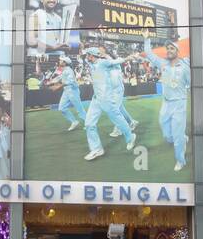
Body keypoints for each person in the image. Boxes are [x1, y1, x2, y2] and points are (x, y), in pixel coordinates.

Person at [143, 37, 190, 172]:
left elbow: (191, 82)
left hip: (179, 104)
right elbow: (149, 54)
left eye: (171, 48)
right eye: (167, 48)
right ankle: (182, 137)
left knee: (176, 137)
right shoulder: (163, 63)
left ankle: (180, 160)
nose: (168, 50)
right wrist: (147, 38)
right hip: (166, 104)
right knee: (167, 136)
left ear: (177, 51)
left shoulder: (184, 67)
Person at [81, 45, 134, 161]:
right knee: (89, 124)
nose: (86, 56)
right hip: (96, 99)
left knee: (118, 119)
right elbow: (85, 58)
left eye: (88, 54)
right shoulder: (90, 63)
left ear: (92, 56)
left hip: (106, 98)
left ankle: (130, 137)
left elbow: (116, 61)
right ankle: (96, 149)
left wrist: (127, 58)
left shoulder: (103, 63)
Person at [45, 59, 87, 131]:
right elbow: (60, 77)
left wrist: (58, 86)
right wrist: (50, 82)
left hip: (73, 91)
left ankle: (88, 123)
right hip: (66, 91)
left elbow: (70, 81)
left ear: (65, 63)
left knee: (79, 109)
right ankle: (74, 121)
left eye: (61, 61)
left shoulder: (69, 70)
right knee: (62, 108)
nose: (60, 61)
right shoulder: (64, 70)